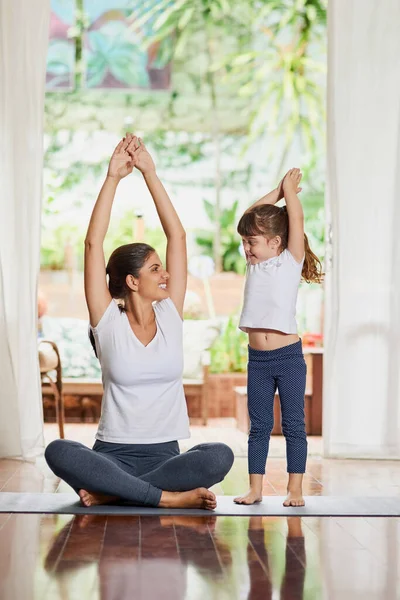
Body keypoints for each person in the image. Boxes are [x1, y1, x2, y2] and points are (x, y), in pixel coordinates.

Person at [45, 133, 234, 510]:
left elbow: (177, 235)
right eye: (155, 269)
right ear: (132, 281)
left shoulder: (170, 315)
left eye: (163, 267)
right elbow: (92, 245)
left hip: (166, 456)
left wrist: (150, 172)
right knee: (59, 450)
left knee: (219, 455)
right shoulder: (107, 320)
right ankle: (164, 499)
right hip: (111, 454)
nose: (165, 275)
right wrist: (113, 177)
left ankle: (114, 493)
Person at [233, 169, 323, 507]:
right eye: (244, 242)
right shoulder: (254, 265)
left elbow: (295, 219)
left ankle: (295, 489)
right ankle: (255, 489)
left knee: (294, 426)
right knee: (259, 427)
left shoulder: (289, 262)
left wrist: (290, 195)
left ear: (276, 242)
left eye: (251, 243)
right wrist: (276, 192)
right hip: (258, 360)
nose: (246, 248)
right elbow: (248, 217)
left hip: (288, 358)